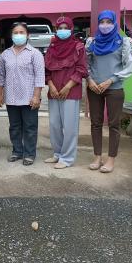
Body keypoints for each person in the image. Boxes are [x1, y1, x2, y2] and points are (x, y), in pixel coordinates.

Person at [86, 10, 132, 174]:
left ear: (115, 23)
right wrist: (90, 80)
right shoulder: (92, 42)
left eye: (109, 22)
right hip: (94, 88)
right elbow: (86, 64)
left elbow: (129, 66)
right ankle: (97, 157)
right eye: (102, 22)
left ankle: (111, 159)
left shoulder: (123, 42)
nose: (105, 25)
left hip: (114, 88)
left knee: (114, 125)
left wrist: (110, 80)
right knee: (95, 123)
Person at [0, 22, 45, 166]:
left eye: (21, 32)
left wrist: (36, 96)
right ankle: (17, 151)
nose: (18, 35)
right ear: (11, 36)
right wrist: (0, 94)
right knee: (14, 127)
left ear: (27, 35)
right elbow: (1, 76)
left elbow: (40, 76)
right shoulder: (5, 54)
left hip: (29, 97)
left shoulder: (35, 54)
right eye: (15, 33)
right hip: (11, 98)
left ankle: (29, 154)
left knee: (30, 127)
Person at [44, 17, 88, 169]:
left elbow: (82, 69)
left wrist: (68, 86)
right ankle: (57, 153)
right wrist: (51, 86)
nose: (63, 30)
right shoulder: (52, 47)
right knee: (54, 125)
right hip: (54, 92)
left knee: (70, 127)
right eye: (60, 28)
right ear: (56, 30)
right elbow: (46, 70)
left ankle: (67, 158)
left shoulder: (78, 47)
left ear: (71, 29)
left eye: (66, 28)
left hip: (71, 91)